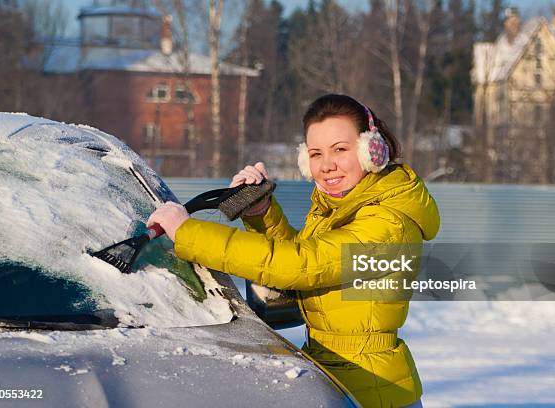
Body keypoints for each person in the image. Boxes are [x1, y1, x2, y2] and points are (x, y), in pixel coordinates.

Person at [147, 94, 440, 407]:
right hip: (336, 376)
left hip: (374, 392)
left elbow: (300, 266)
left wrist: (188, 233)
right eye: (316, 153)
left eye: (340, 149)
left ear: (372, 150)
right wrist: (260, 211)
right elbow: (300, 259)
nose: (326, 165)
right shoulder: (339, 208)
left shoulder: (387, 223)